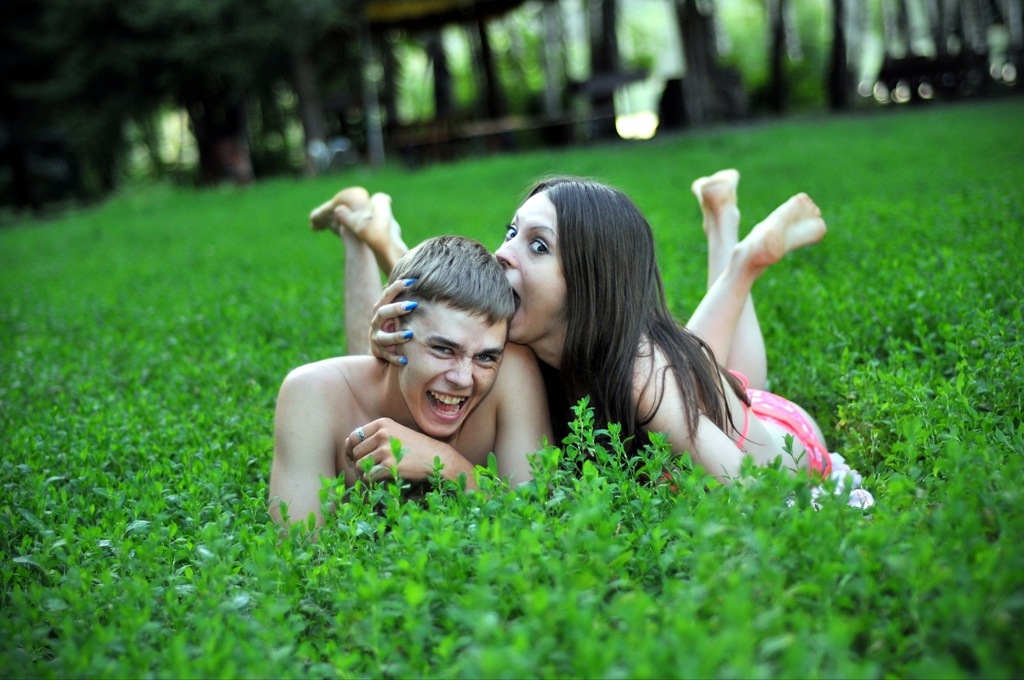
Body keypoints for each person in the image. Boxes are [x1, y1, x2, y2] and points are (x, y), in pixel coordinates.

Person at [335, 172, 871, 500]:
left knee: (720, 381)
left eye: (538, 246)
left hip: (781, 439)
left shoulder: (642, 375)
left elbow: (763, 493)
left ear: (588, 282)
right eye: (511, 231)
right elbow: (446, 313)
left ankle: (740, 259)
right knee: (706, 371)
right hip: (700, 392)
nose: (501, 253)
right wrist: (396, 335)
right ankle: (729, 238)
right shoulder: (521, 340)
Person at [268, 233, 552, 528]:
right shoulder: (312, 393)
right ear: (392, 334)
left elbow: (538, 526)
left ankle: (376, 233)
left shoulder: (512, 369)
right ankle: (359, 234)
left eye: (484, 357)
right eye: (443, 349)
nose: (463, 379)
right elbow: (297, 546)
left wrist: (448, 464)